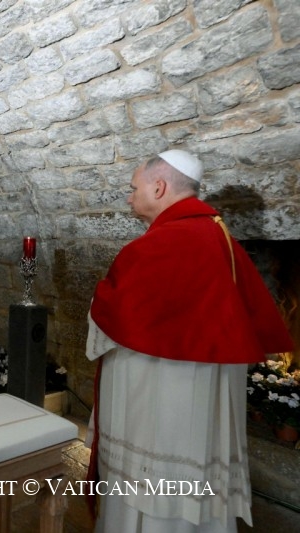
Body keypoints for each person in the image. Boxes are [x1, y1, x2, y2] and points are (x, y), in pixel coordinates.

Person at [85, 150, 293, 532]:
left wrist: (98, 300)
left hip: (158, 406)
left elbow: (111, 315)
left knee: (150, 482)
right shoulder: (221, 237)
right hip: (203, 405)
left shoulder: (155, 246)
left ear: (159, 186)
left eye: (133, 189)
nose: (129, 197)